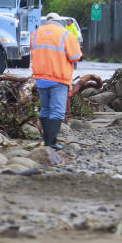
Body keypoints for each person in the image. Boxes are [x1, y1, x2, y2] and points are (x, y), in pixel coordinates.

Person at [31, 12, 82, 150]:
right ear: (59, 22)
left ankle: (47, 142)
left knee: (45, 109)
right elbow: (75, 56)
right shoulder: (65, 34)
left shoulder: (35, 33)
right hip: (59, 78)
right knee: (58, 111)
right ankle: (52, 142)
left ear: (47, 22)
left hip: (41, 78)